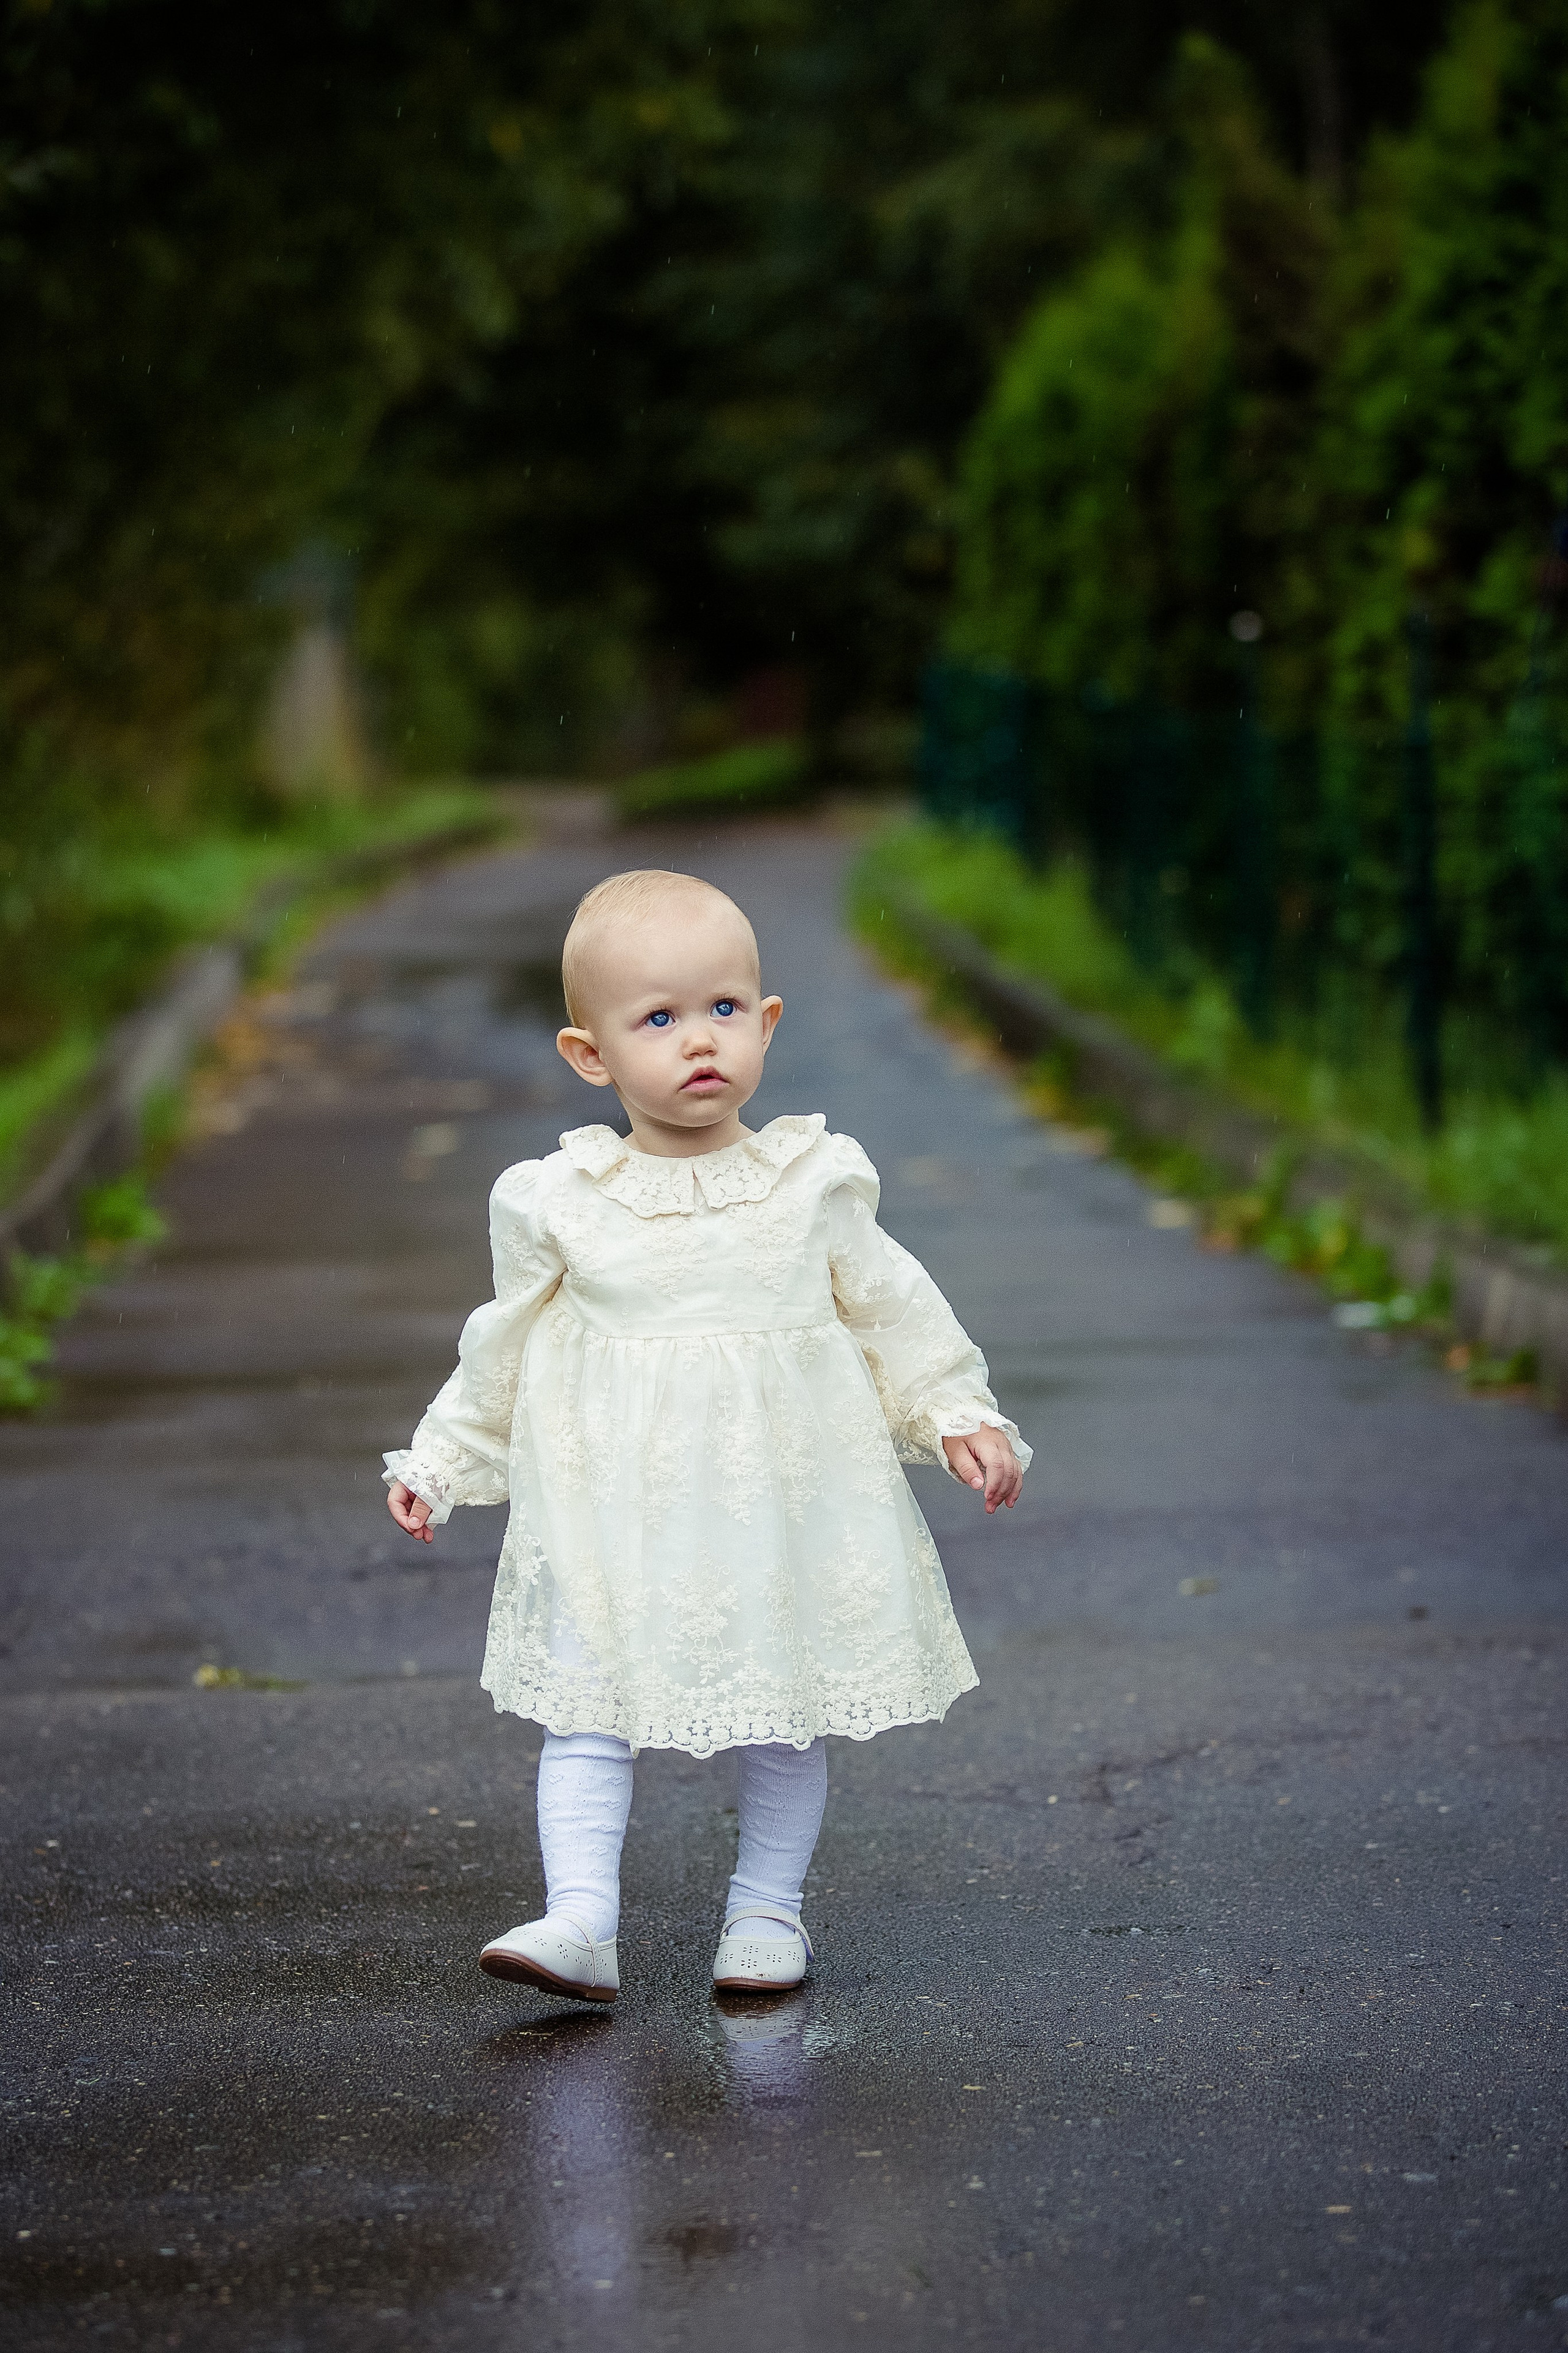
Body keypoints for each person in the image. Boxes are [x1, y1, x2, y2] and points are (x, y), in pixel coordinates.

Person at [384, 869, 1029, 2002]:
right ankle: (582, 1918)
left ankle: (766, 1913)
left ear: (767, 1023)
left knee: (785, 1706)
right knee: (588, 1705)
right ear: (592, 1056)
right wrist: (441, 1456)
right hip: (610, 1510)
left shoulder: (809, 1180)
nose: (700, 1042)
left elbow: (893, 1306)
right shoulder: (563, 1199)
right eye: (660, 1019)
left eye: (726, 1010)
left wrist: (956, 1411)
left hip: (778, 1500)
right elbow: (504, 1346)